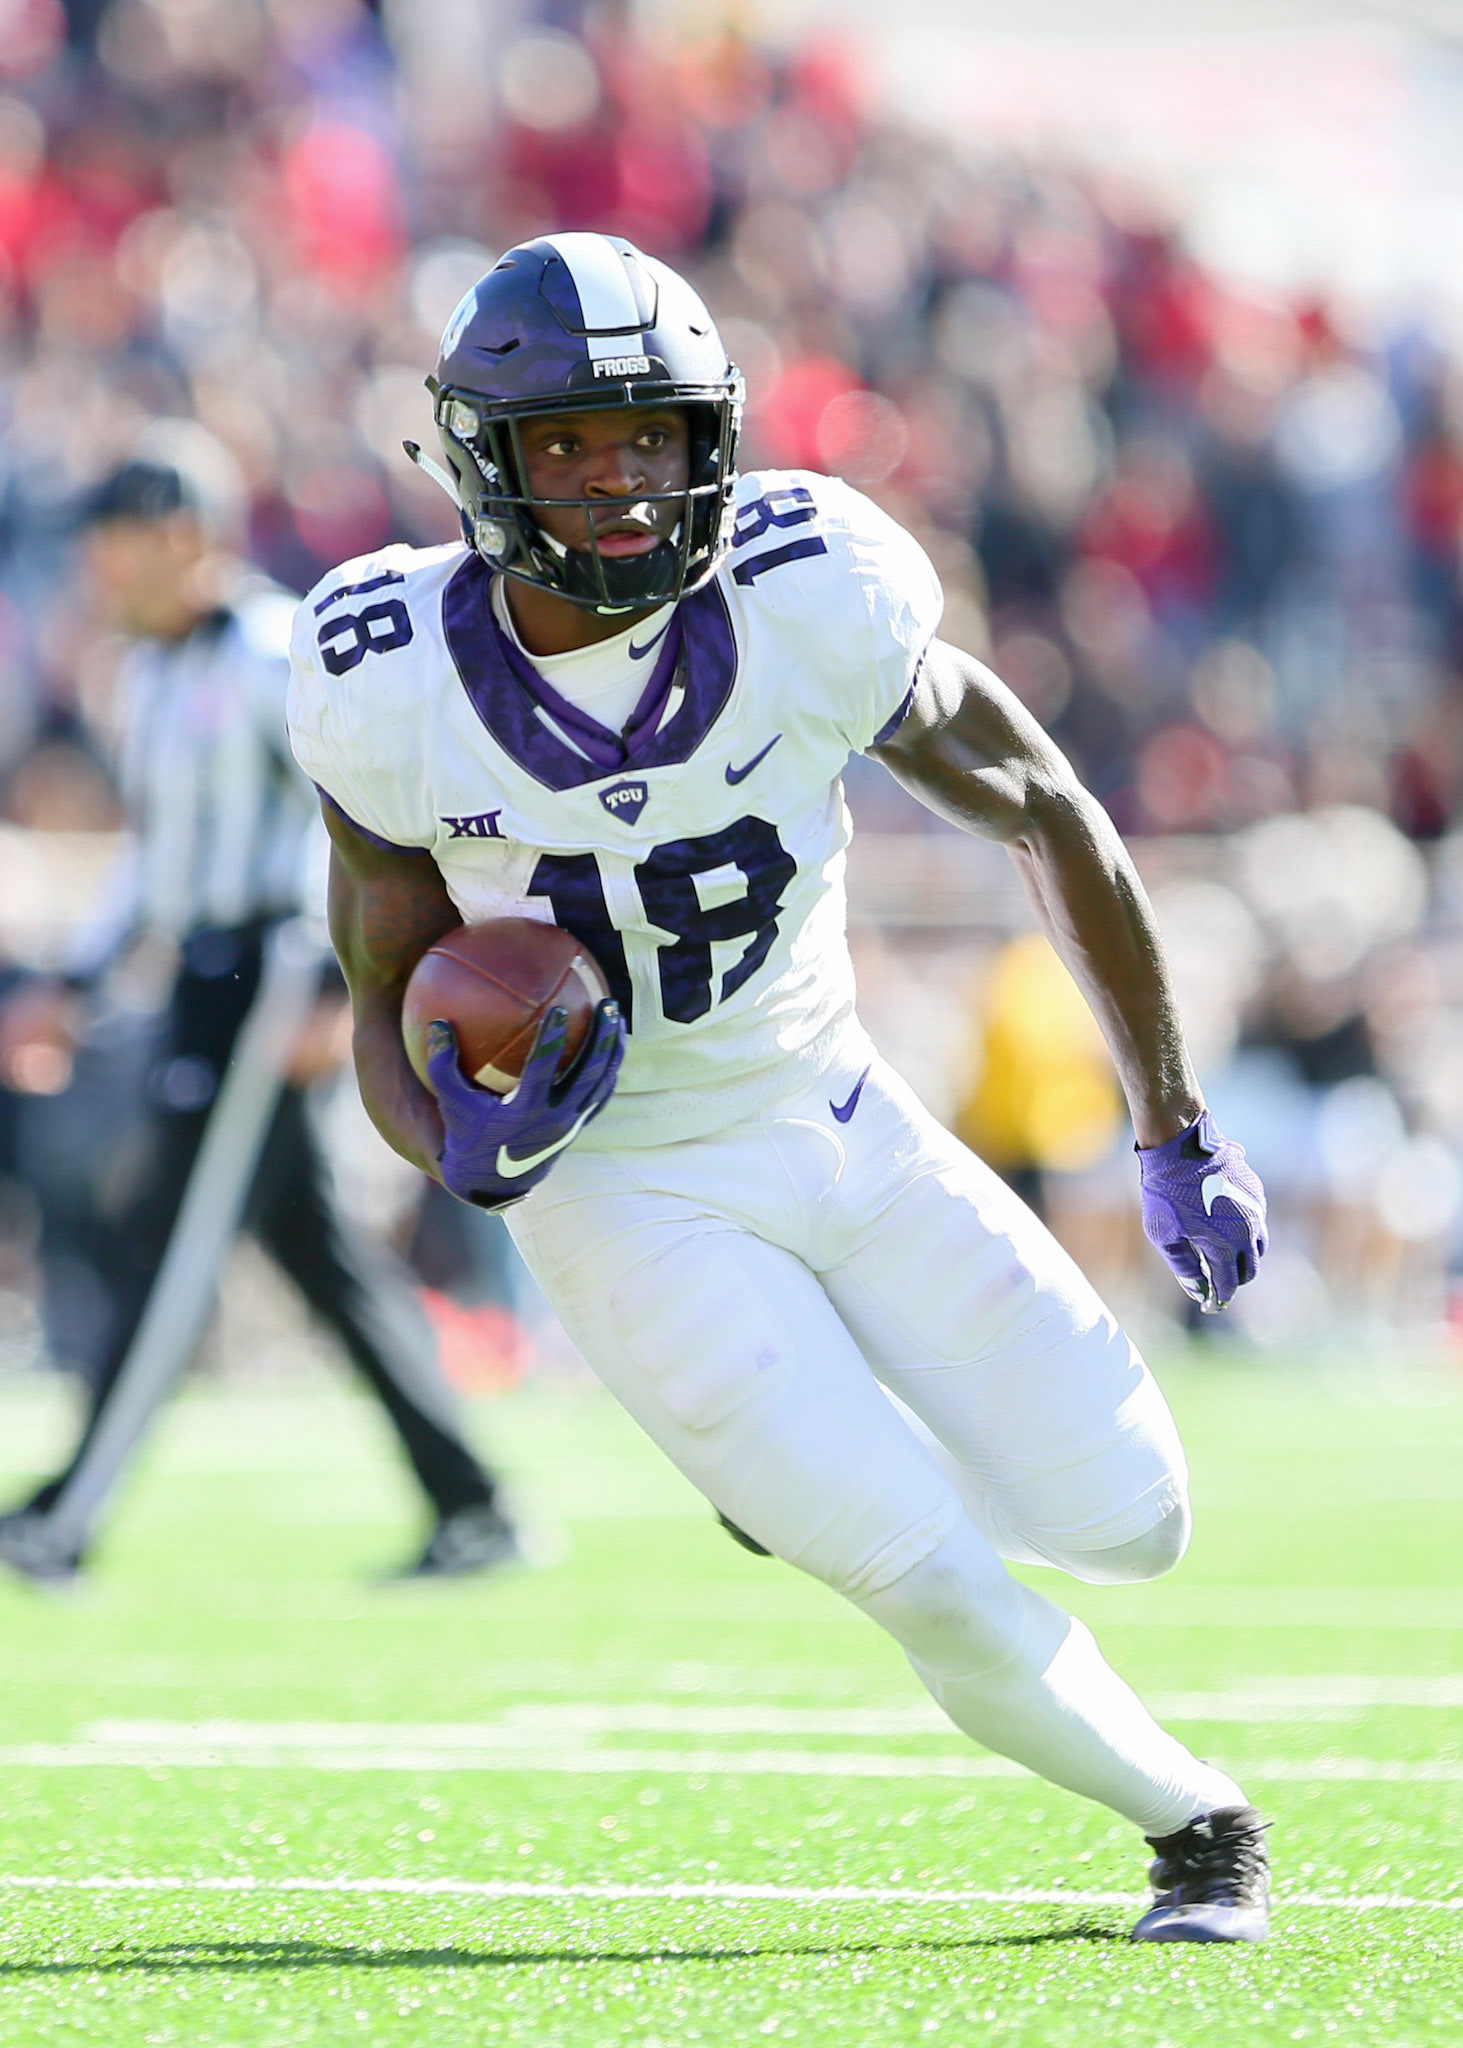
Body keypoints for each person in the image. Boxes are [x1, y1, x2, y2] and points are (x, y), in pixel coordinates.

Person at [287, 233, 1272, 1943]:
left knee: (1133, 1521)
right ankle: (1195, 1827)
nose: (614, 483)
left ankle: (790, 1466)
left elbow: (1044, 808)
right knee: (921, 1571)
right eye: (568, 447)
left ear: (709, 439)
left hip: (835, 1108)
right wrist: (462, 1145)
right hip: (621, 1183)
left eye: (647, 438)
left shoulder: (808, 582)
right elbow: (385, 997)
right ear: (481, 460)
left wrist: (1171, 1119)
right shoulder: (385, 677)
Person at [0, 427, 518, 1584]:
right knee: (314, 1254)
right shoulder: (150, 670)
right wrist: (74, 982)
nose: (101, 573)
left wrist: (342, 985)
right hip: (205, 976)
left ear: (183, 538)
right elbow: (158, 857)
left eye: (119, 547)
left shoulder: (272, 651)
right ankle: (472, 1502)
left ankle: (62, 1514)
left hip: (275, 973)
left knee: (169, 1248)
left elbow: (358, 824)